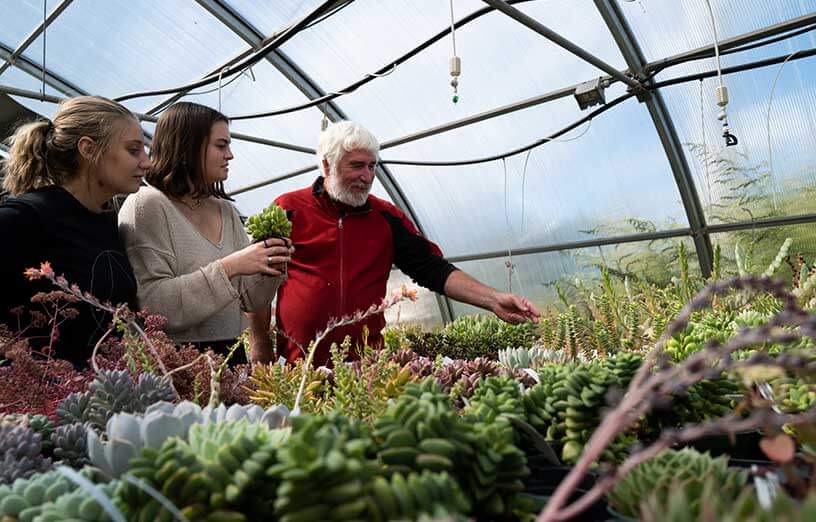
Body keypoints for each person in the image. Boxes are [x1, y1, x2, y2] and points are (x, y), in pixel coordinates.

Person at [270, 121, 541, 366]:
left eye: (372, 166)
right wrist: (260, 353)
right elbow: (257, 285)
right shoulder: (288, 209)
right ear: (327, 165)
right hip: (296, 367)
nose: (367, 176)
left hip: (364, 367)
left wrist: (494, 300)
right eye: (356, 166)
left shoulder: (386, 218)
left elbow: (432, 269)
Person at [118, 102, 291, 364]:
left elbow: (250, 301)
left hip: (231, 357)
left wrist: (270, 266)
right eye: (221, 146)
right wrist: (230, 266)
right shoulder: (148, 205)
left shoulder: (226, 211)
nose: (230, 155)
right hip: (173, 361)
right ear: (188, 146)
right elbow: (154, 305)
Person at [0, 95, 149, 368]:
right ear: (88, 149)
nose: (146, 162)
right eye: (133, 150)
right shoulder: (24, 219)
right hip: (40, 401)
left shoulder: (107, 223)